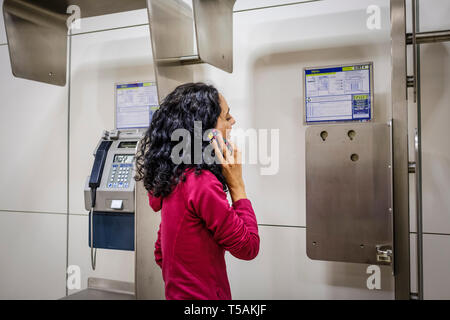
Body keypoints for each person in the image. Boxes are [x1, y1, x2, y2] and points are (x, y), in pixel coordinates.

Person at [135, 82, 259, 300]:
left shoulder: (174, 177)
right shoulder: (201, 182)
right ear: (206, 130)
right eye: (226, 116)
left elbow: (161, 253)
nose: (233, 121)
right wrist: (237, 185)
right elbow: (248, 247)